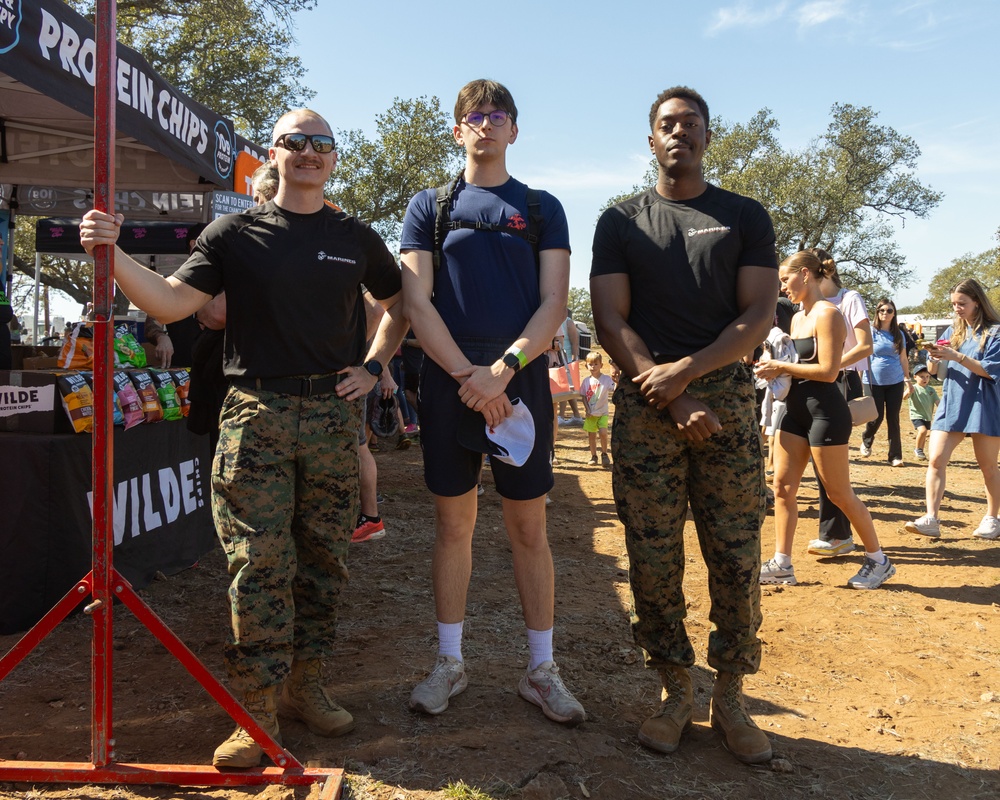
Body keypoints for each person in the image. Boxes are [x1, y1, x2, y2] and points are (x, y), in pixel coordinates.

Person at [79, 108, 406, 768]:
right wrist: (111, 255)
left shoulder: (355, 237)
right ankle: (252, 712)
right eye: (295, 142)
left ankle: (304, 689)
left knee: (323, 562)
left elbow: (401, 305)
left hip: (331, 421)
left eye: (321, 144)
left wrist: (374, 367)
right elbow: (170, 303)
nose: (309, 153)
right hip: (254, 416)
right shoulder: (234, 234)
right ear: (272, 153)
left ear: (334, 157)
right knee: (256, 569)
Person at [591, 86, 777, 764]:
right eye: (666, 125)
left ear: (706, 136)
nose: (679, 134)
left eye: (690, 124)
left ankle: (729, 697)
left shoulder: (743, 216)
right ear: (651, 141)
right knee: (652, 556)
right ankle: (674, 690)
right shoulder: (621, 221)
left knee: (735, 555)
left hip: (724, 399)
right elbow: (611, 320)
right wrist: (668, 394)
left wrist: (689, 375)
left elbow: (757, 316)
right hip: (646, 408)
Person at [400, 79, 585, 726]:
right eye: (474, 116)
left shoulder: (540, 207)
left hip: (520, 374)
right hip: (452, 379)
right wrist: (465, 375)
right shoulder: (427, 206)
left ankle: (541, 669)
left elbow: (554, 302)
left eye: (497, 115)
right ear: (458, 131)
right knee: (454, 526)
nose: (485, 124)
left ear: (514, 130)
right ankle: (450, 663)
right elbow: (416, 301)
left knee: (528, 528)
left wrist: (503, 370)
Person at [755, 250, 896, 592]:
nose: (783, 288)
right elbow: (792, 363)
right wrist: (770, 363)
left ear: (805, 274)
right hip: (795, 408)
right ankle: (782, 563)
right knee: (783, 488)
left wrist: (783, 368)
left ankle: (879, 561)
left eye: (785, 280)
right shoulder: (797, 318)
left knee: (838, 492)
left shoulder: (828, 313)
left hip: (826, 412)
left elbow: (829, 370)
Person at [905, 279, 1000, 540]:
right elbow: (936, 373)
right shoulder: (952, 332)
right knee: (935, 459)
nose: (957, 309)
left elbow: (990, 372)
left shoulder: (995, 332)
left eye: (962, 303)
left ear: (977, 302)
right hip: (953, 402)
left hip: (983, 402)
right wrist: (934, 359)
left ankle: (993, 517)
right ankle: (931, 518)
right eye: (954, 304)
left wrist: (957, 356)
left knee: (988, 466)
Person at [805, 252, 873, 558]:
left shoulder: (849, 299)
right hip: (815, 382)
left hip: (842, 381)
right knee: (820, 462)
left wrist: (831, 366)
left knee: (831, 463)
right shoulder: (808, 305)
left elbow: (865, 345)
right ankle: (835, 533)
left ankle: (837, 535)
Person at [860, 298, 912, 466]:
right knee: (876, 417)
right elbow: (862, 355)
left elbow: (903, 359)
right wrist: (859, 379)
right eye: (882, 310)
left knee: (893, 418)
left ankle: (895, 456)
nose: (885, 313)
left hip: (895, 381)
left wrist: (907, 380)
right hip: (873, 380)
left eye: (889, 310)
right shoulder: (870, 331)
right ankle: (867, 439)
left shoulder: (899, 334)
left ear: (894, 313)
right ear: (877, 313)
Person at [580, 350, 614, 466]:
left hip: (603, 412)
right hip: (591, 414)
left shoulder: (606, 379)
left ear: (601, 365)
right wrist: (587, 409)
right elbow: (583, 396)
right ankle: (593, 456)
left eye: (596, 364)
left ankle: (604, 454)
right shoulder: (586, 381)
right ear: (586, 365)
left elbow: (614, 388)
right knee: (592, 436)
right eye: (590, 364)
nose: (593, 367)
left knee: (603, 433)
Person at [907, 363, 938, 461]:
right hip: (916, 415)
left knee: (924, 433)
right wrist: (908, 391)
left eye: (927, 376)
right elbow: (903, 397)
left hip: (927, 416)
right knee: (923, 431)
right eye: (922, 377)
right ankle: (917, 449)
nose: (925, 379)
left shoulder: (931, 390)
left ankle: (921, 450)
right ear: (915, 377)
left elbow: (938, 401)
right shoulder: (914, 388)